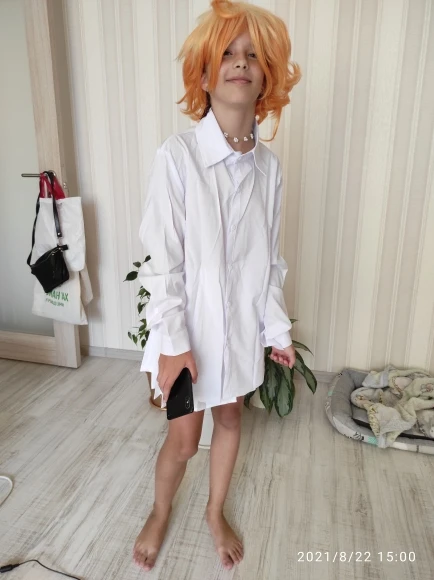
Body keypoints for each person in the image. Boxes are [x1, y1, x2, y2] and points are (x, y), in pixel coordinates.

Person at [133, 0, 301, 572]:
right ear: (204, 76)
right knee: (184, 440)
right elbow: (163, 260)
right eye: (227, 53)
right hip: (188, 335)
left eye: (253, 55)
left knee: (230, 419)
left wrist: (276, 329)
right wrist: (173, 342)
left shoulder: (269, 170)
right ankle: (160, 510)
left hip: (238, 334)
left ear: (267, 78)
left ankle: (214, 509)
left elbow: (269, 259)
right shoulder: (178, 157)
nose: (241, 62)